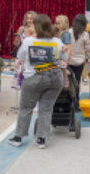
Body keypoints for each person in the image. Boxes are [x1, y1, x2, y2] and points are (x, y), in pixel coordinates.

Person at [7, 14, 68, 149]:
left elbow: (21, 56)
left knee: (26, 108)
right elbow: (64, 56)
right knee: (46, 109)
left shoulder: (29, 41)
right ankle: (41, 139)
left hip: (34, 77)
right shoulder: (57, 42)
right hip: (54, 77)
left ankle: (18, 137)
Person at [66, 14, 90, 100]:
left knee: (68, 82)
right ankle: (76, 101)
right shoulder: (85, 34)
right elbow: (88, 48)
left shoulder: (68, 32)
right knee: (77, 81)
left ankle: (68, 100)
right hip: (79, 62)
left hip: (68, 61)